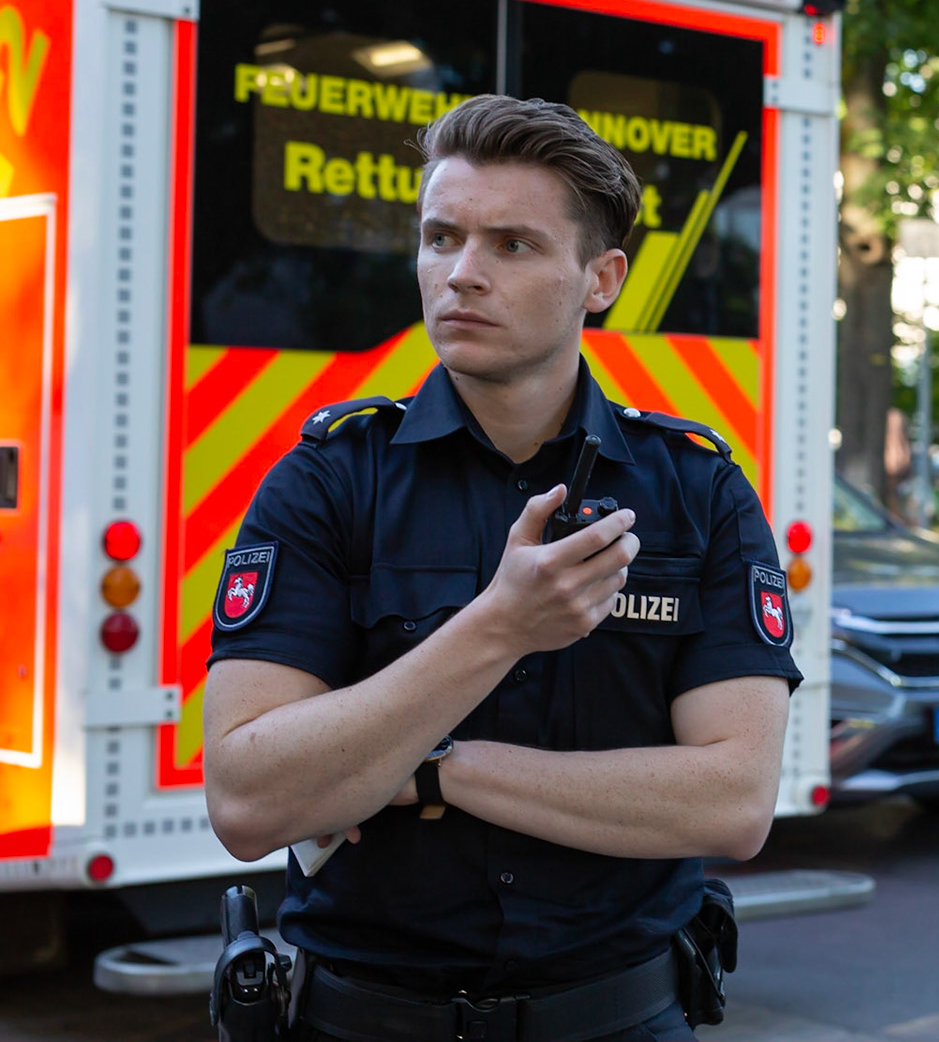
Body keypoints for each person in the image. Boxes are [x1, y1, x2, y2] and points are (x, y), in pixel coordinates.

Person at [202, 95, 800, 1041]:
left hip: (619, 1020)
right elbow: (247, 801)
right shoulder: (330, 481)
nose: (461, 274)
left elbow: (733, 805)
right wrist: (500, 627)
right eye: (441, 238)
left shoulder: (698, 491)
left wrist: (437, 770)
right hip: (362, 1023)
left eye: (512, 245)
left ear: (601, 279)